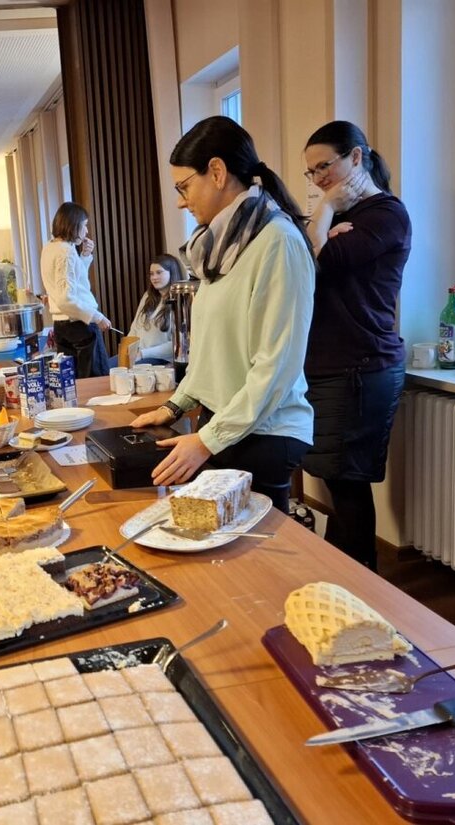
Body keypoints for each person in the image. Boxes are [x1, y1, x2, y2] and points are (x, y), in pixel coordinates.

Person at [130, 116, 315, 513]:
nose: (181, 200)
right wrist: (175, 405)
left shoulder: (277, 242)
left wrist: (208, 440)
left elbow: (276, 366)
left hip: (264, 430)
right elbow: (213, 351)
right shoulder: (220, 247)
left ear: (216, 172)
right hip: (227, 424)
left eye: (184, 187)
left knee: (250, 561)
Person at [301, 120, 412, 570]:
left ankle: (362, 584)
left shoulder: (386, 214)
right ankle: (347, 576)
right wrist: (326, 224)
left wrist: (325, 210)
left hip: (362, 365)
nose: (318, 177)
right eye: (311, 173)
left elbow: (314, 264)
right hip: (332, 364)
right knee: (331, 474)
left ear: (357, 157)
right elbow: (308, 258)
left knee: (346, 480)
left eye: (324, 166)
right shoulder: (346, 219)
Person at [41, 202, 112, 377]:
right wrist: (97, 316)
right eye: (84, 225)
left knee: (72, 383)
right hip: (79, 324)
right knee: (96, 382)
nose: (86, 231)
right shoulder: (65, 251)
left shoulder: (50, 247)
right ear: (74, 224)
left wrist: (85, 256)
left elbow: (75, 282)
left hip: (61, 325)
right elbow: (67, 298)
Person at [125, 253, 186, 365]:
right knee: (105, 367)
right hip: (139, 354)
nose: (154, 278)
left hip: (161, 358)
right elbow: (134, 327)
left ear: (171, 273)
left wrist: (143, 354)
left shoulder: (180, 301)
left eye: (159, 272)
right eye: (151, 274)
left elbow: (177, 343)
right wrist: (127, 349)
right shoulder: (148, 296)